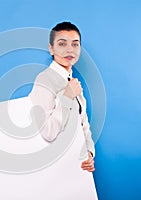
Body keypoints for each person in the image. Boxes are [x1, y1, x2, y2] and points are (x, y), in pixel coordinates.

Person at [29, 21, 95, 172]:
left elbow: (83, 123)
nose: (69, 50)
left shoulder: (73, 81)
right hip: (56, 169)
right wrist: (67, 97)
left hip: (78, 168)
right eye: (62, 44)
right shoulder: (44, 80)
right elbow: (47, 132)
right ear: (51, 49)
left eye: (75, 44)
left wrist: (89, 153)